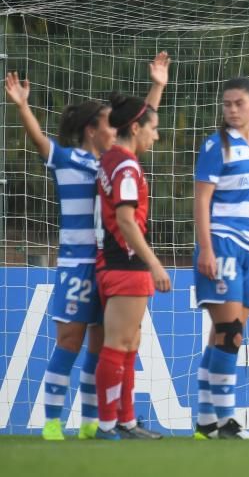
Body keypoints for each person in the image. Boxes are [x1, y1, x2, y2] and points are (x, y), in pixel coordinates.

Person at [4, 53, 169, 441]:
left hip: (102, 263)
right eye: (107, 124)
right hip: (76, 264)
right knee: (70, 341)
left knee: (101, 345)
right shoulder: (69, 160)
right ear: (92, 131)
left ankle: (94, 422)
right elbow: (41, 142)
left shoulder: (112, 162)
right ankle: (51, 423)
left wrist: (157, 86)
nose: (114, 128)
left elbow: (139, 124)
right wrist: (24, 107)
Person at [192, 77, 249, 440]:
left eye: (238, 103)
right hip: (222, 245)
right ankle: (225, 421)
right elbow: (201, 200)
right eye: (227, 104)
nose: (231, 110)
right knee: (230, 333)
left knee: (224, 336)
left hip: (247, 251)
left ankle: (205, 421)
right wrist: (206, 248)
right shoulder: (216, 146)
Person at [94, 92, 172, 440]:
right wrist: (154, 262)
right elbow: (126, 220)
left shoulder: (111, 157)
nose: (155, 135)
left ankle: (125, 421)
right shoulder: (126, 167)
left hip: (114, 263)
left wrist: (156, 88)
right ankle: (108, 423)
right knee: (118, 345)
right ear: (136, 128)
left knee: (127, 345)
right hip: (125, 264)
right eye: (152, 128)